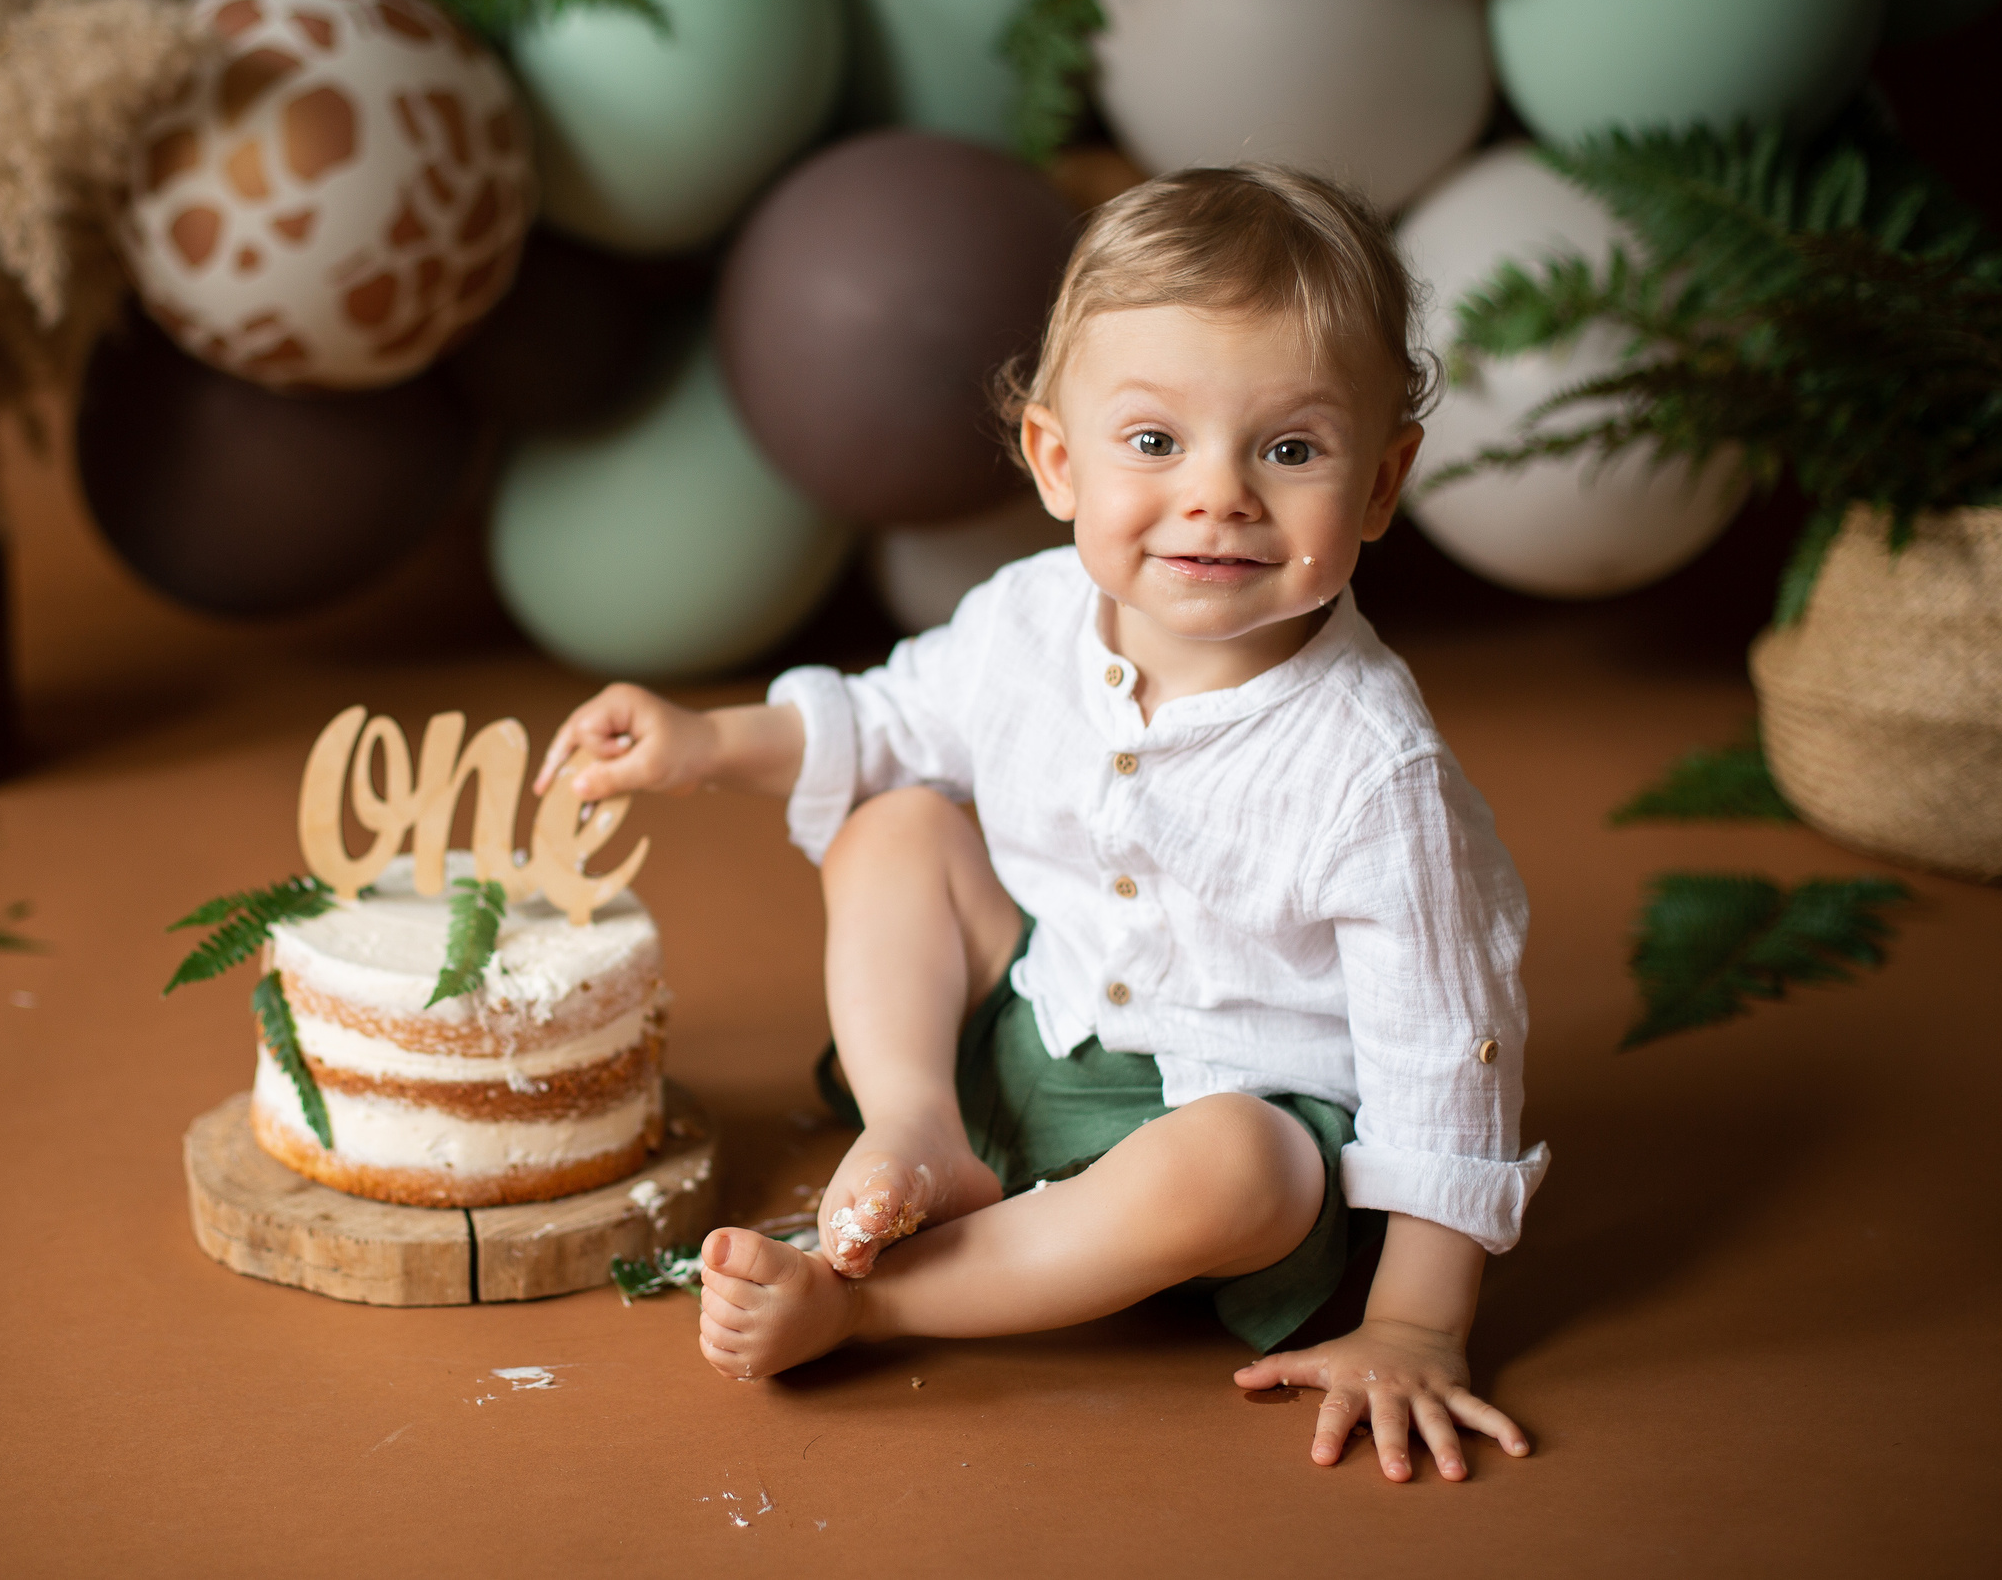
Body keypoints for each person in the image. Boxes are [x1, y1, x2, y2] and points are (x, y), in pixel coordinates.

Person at [534, 166, 1547, 1483]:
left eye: (1289, 450)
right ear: (1056, 460)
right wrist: (707, 742)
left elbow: (1444, 1055)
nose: (1218, 496)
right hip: (1039, 1027)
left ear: (1379, 483)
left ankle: (874, 1301)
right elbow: (892, 717)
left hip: (1231, 1145)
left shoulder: (1372, 767)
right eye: (1154, 442)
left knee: (1235, 1164)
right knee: (896, 820)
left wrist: (1416, 1320)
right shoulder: (1029, 619)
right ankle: (919, 1130)